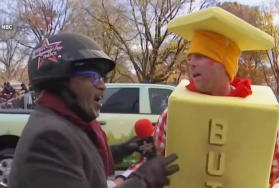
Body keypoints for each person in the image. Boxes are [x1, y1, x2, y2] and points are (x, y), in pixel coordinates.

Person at [115, 13, 279, 188]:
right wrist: (122, 181)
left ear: (224, 63)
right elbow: (150, 164)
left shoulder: (263, 115)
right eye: (190, 57)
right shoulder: (174, 113)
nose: (191, 62)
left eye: (200, 56)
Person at [8, 32, 179, 188]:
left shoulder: (66, 124)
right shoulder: (48, 138)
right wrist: (144, 179)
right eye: (94, 77)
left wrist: (122, 150)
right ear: (62, 81)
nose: (103, 86)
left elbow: (83, 162)